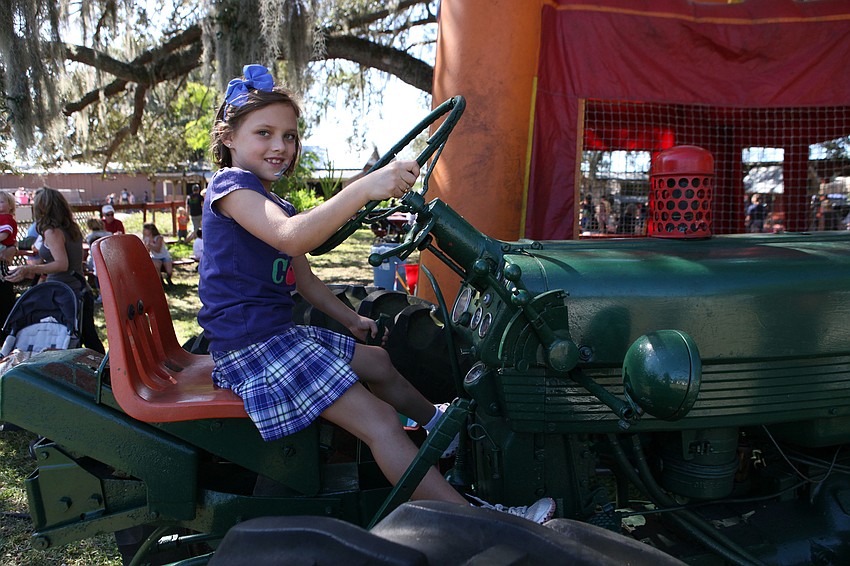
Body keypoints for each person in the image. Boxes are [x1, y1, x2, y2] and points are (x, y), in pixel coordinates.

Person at [199, 64, 555, 523]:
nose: (280, 147)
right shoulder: (230, 189)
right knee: (381, 424)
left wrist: (349, 319)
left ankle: (439, 429)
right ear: (229, 137)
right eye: (264, 133)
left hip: (272, 336)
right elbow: (291, 238)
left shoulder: (270, 199)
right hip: (253, 349)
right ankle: (483, 522)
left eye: (289, 136)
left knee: (378, 362)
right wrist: (365, 188)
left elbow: (302, 279)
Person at [5, 188, 104, 353]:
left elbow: (61, 264)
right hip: (79, 289)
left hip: (65, 293)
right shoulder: (71, 228)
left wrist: (30, 268)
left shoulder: (53, 231)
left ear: (43, 208)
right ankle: (105, 372)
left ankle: (103, 373)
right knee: (88, 335)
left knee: (68, 338)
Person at [142, 223, 173, 287]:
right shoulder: (146, 239)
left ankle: (169, 279)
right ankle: (160, 283)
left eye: (145, 229)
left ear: (150, 230)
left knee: (169, 271)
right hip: (155, 257)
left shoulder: (159, 238)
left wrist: (149, 245)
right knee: (156, 267)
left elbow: (157, 249)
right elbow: (148, 251)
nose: (144, 231)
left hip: (164, 256)